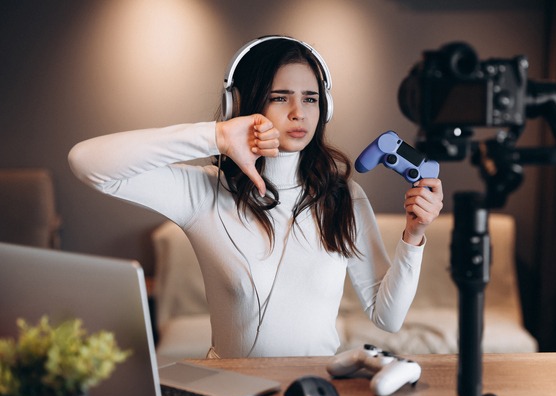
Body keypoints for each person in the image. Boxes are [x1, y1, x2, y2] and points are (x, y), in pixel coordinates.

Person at [68, 36, 443, 358]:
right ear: (242, 105)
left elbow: (387, 318)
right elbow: (87, 163)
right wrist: (216, 136)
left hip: (315, 394)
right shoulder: (203, 193)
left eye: (310, 99)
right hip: (233, 394)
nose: (299, 113)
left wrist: (413, 236)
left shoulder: (344, 196)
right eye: (280, 97)